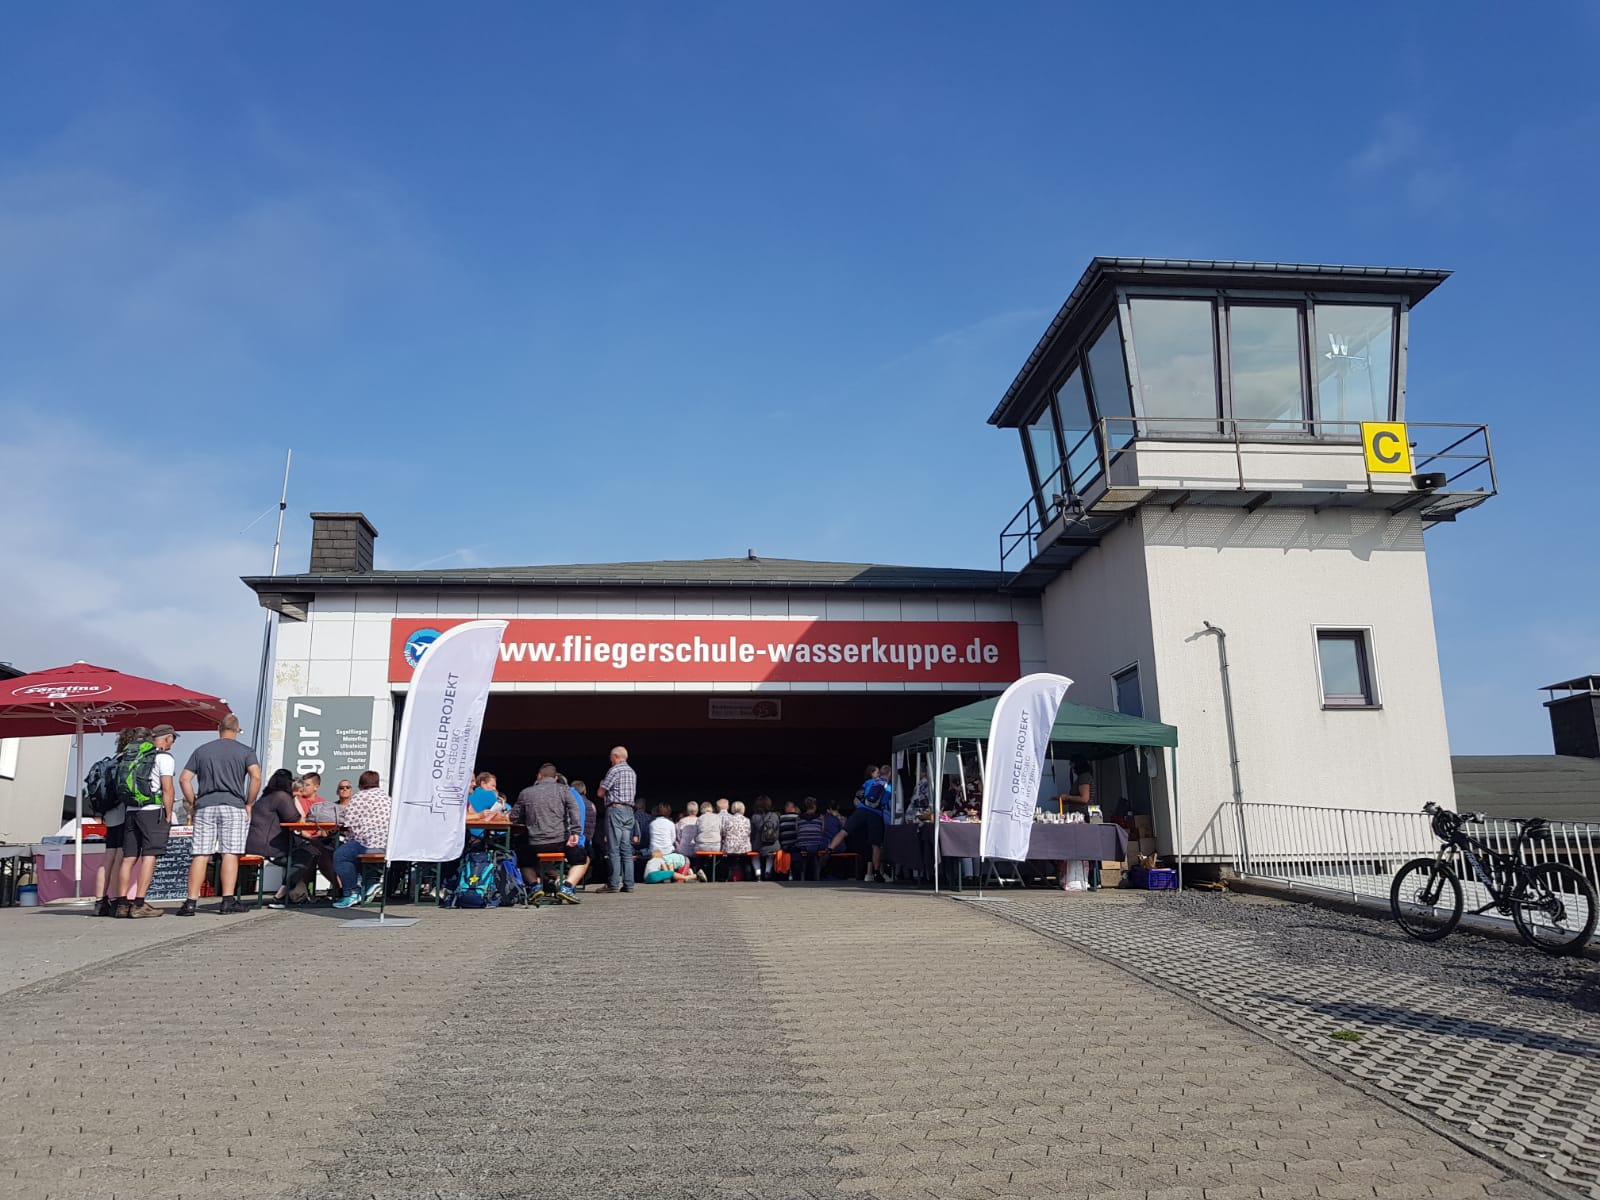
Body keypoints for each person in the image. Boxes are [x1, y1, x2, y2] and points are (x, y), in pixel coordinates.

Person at [177, 714, 263, 916]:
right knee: (230, 852)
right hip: (233, 805)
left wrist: (193, 802)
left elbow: (184, 779)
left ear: (219, 728)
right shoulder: (246, 752)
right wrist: (249, 802)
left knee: (201, 853)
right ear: (238, 729)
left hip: (206, 805)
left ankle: (190, 903)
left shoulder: (202, 751)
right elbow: (256, 777)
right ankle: (227, 901)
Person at [113, 725, 177, 918]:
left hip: (131, 810)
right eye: (172, 739)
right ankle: (139, 903)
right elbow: (168, 789)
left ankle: (122, 904)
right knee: (149, 856)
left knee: (129, 858)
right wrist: (168, 814)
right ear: (166, 738)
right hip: (152, 811)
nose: (172, 743)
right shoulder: (163, 758)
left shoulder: (130, 756)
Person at [510, 762, 584, 904]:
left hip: (535, 842)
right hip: (559, 841)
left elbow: (513, 817)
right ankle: (567, 887)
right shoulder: (564, 790)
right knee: (583, 859)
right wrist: (575, 832)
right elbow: (575, 810)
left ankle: (534, 886)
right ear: (555, 777)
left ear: (539, 776)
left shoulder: (526, 793)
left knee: (523, 859)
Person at [94, 726, 148, 917]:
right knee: (120, 856)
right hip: (124, 810)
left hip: (110, 812)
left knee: (108, 857)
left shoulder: (113, 760)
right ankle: (118, 900)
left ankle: (100, 902)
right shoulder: (132, 759)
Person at [332, 770, 391, 909]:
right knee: (355, 851)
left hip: (368, 843)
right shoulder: (387, 798)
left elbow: (348, 823)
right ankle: (371, 883)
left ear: (361, 784)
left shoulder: (359, 798)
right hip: (387, 845)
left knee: (341, 856)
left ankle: (351, 892)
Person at [244, 769, 301, 899]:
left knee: (301, 853)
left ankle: (296, 894)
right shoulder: (281, 796)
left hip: (253, 844)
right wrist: (295, 798)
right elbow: (294, 819)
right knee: (307, 854)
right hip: (269, 848)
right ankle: (284, 892)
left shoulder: (266, 797)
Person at [595, 746, 638, 893]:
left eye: (610, 757)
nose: (610, 760)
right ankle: (629, 883)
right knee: (626, 848)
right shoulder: (632, 772)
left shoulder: (614, 770)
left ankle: (613, 883)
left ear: (615, 756)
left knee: (613, 847)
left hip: (616, 810)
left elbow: (601, 793)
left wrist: (601, 784)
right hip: (629, 811)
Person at [792, 798, 826, 882]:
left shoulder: (798, 818)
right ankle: (820, 874)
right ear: (814, 806)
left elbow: (797, 831)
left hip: (802, 845)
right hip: (817, 844)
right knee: (826, 845)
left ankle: (802, 874)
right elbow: (822, 831)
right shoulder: (821, 817)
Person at [749, 795, 781, 881]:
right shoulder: (775, 816)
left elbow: (752, 833)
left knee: (754, 855)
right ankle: (767, 871)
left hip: (758, 845)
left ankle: (758, 873)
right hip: (772, 845)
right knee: (770, 855)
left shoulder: (754, 817)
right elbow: (777, 831)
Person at [723, 800, 753, 880]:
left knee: (729, 861)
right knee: (746, 861)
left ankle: (728, 877)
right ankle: (748, 876)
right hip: (744, 847)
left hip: (730, 847)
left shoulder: (728, 820)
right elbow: (749, 833)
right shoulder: (747, 820)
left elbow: (724, 833)